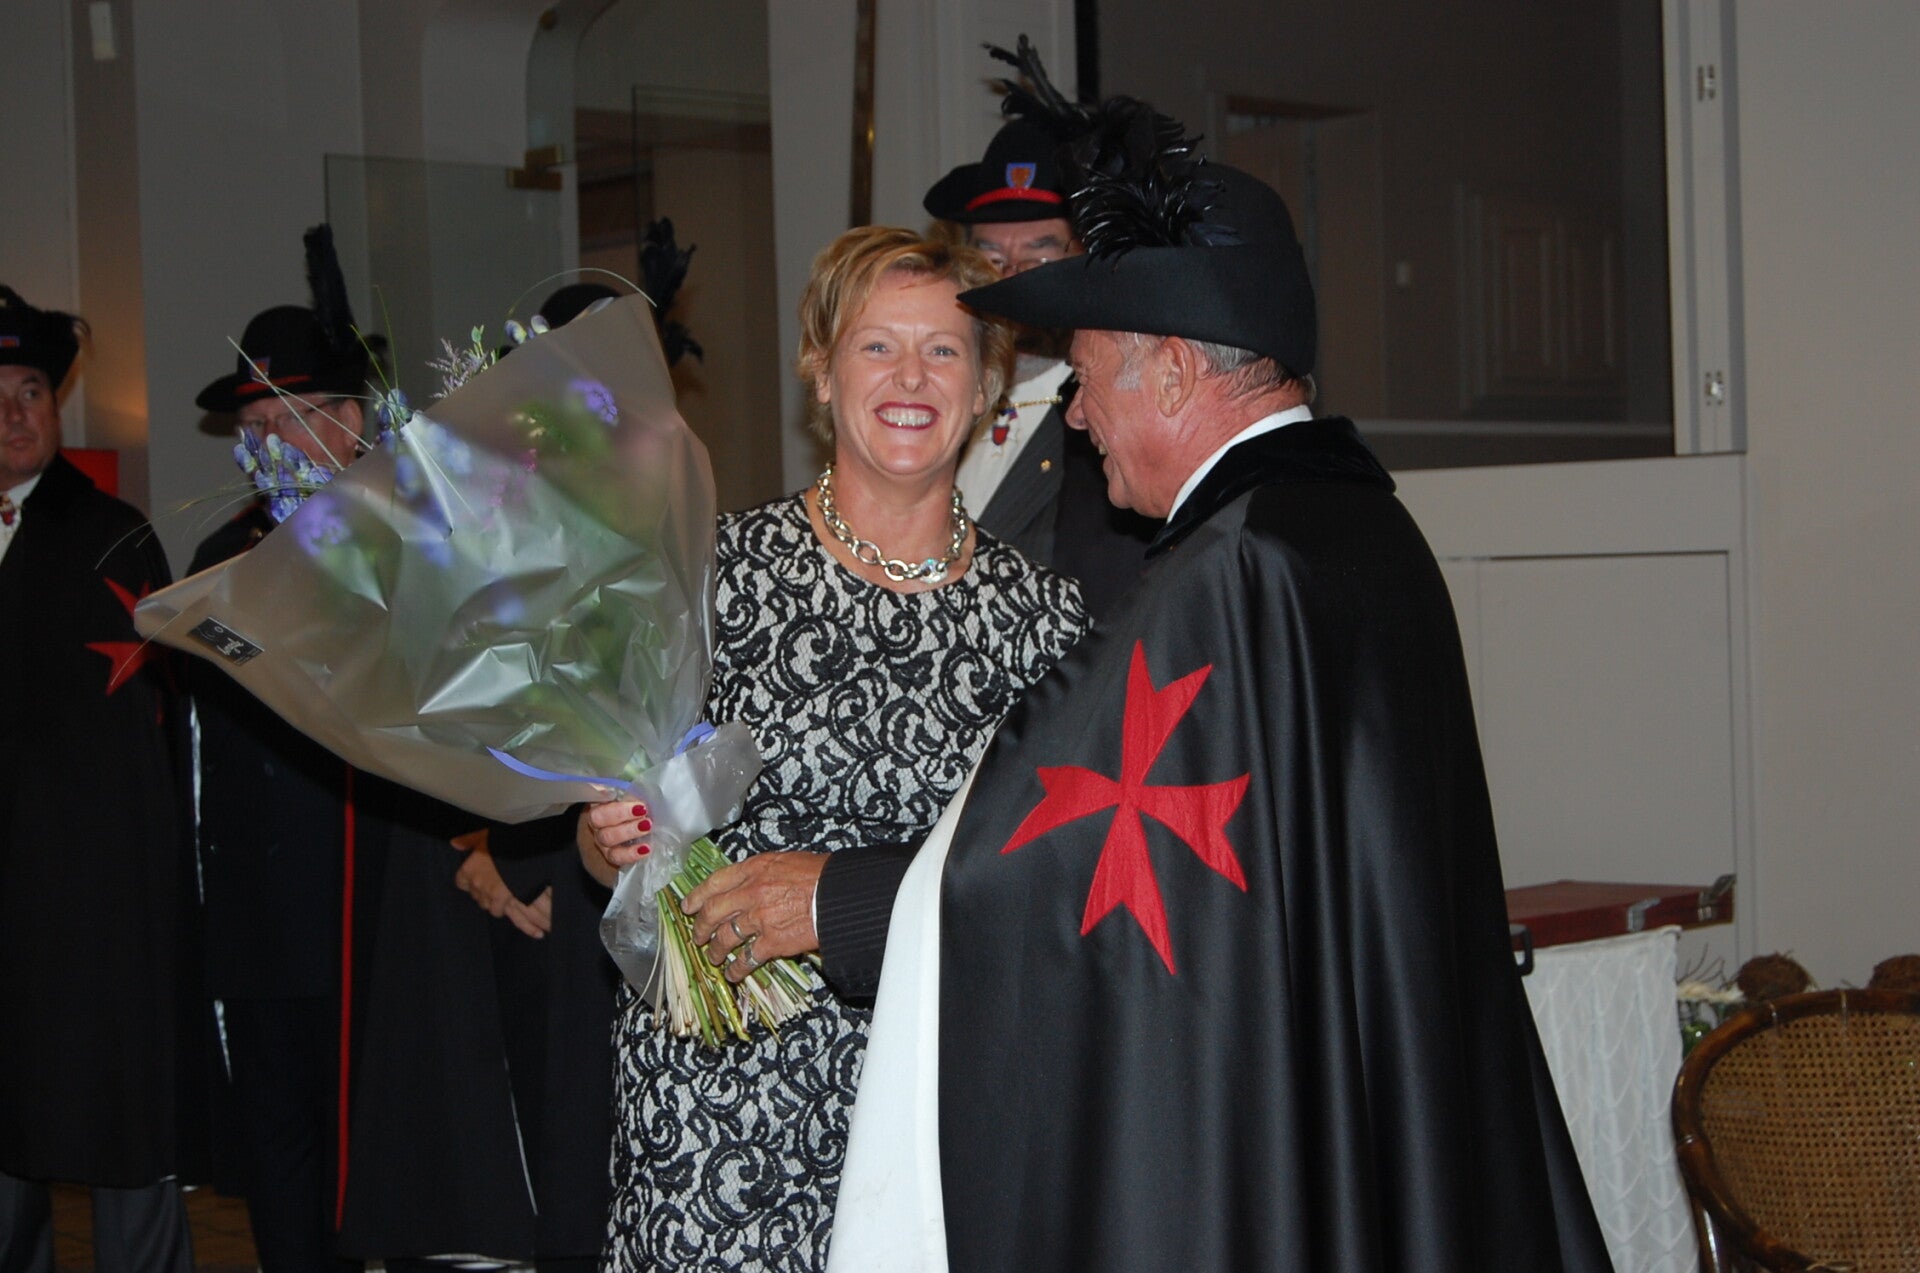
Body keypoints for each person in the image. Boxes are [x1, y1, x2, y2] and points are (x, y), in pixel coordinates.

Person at [815, 140, 1616, 1268]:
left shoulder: (1230, 573)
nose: (1077, 418)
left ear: (1176, 372)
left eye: (1088, 376)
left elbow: (1077, 845)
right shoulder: (1363, 529)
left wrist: (834, 904)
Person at [578, 226, 1090, 1271]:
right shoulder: (712, 577)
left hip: (934, 1108)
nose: (911, 377)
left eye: (943, 350)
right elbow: (608, 850)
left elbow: (1050, 888)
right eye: (876, 346)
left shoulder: (1049, 627)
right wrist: (610, 838)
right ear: (820, 370)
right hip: (716, 1111)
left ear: (988, 385)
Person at [0, 286, 200, 1272]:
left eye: (31, 390)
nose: (13, 414)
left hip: (92, 918)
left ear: (57, 403)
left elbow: (146, 758)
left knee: (122, 1136)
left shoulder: (113, 537)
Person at [189, 302, 373, 1273]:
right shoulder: (218, 559)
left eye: (288, 420)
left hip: (368, 909)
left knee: (373, 1149)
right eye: (253, 426)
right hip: (257, 916)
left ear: (351, 422)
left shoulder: (410, 541)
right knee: (277, 1150)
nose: (267, 444)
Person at [922, 38, 1155, 620]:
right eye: (992, 256)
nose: (1013, 278)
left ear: (1086, 257)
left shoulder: (1108, 423)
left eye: (1040, 254)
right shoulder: (930, 402)